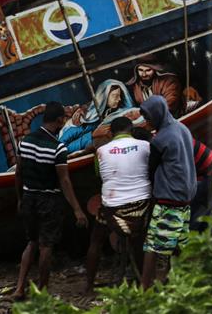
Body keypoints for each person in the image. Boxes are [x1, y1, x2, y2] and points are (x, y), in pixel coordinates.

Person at [13, 101, 88, 300]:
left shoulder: (24, 142)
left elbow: (18, 173)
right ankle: (42, 290)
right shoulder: (58, 148)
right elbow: (64, 180)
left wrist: (20, 199)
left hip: (29, 197)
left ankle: (20, 288)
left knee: (31, 242)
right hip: (49, 200)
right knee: (46, 247)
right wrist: (77, 209)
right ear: (59, 120)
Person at [84, 116, 152, 295]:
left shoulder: (101, 151)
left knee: (96, 241)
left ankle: (88, 286)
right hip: (141, 207)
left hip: (112, 210)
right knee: (139, 241)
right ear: (132, 130)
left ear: (111, 133)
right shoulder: (146, 146)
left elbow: (100, 175)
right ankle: (144, 285)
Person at [140, 96, 196, 289]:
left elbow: (151, 170)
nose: (147, 121)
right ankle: (177, 282)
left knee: (153, 245)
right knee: (180, 243)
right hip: (186, 196)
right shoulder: (183, 129)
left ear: (157, 114)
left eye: (148, 117)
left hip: (168, 198)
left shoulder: (161, 139)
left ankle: (145, 287)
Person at [59, 79, 145, 153]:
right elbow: (63, 146)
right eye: (115, 96)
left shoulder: (124, 114)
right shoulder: (88, 118)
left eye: (120, 95)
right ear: (104, 97)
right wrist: (92, 134)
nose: (119, 99)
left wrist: (93, 135)